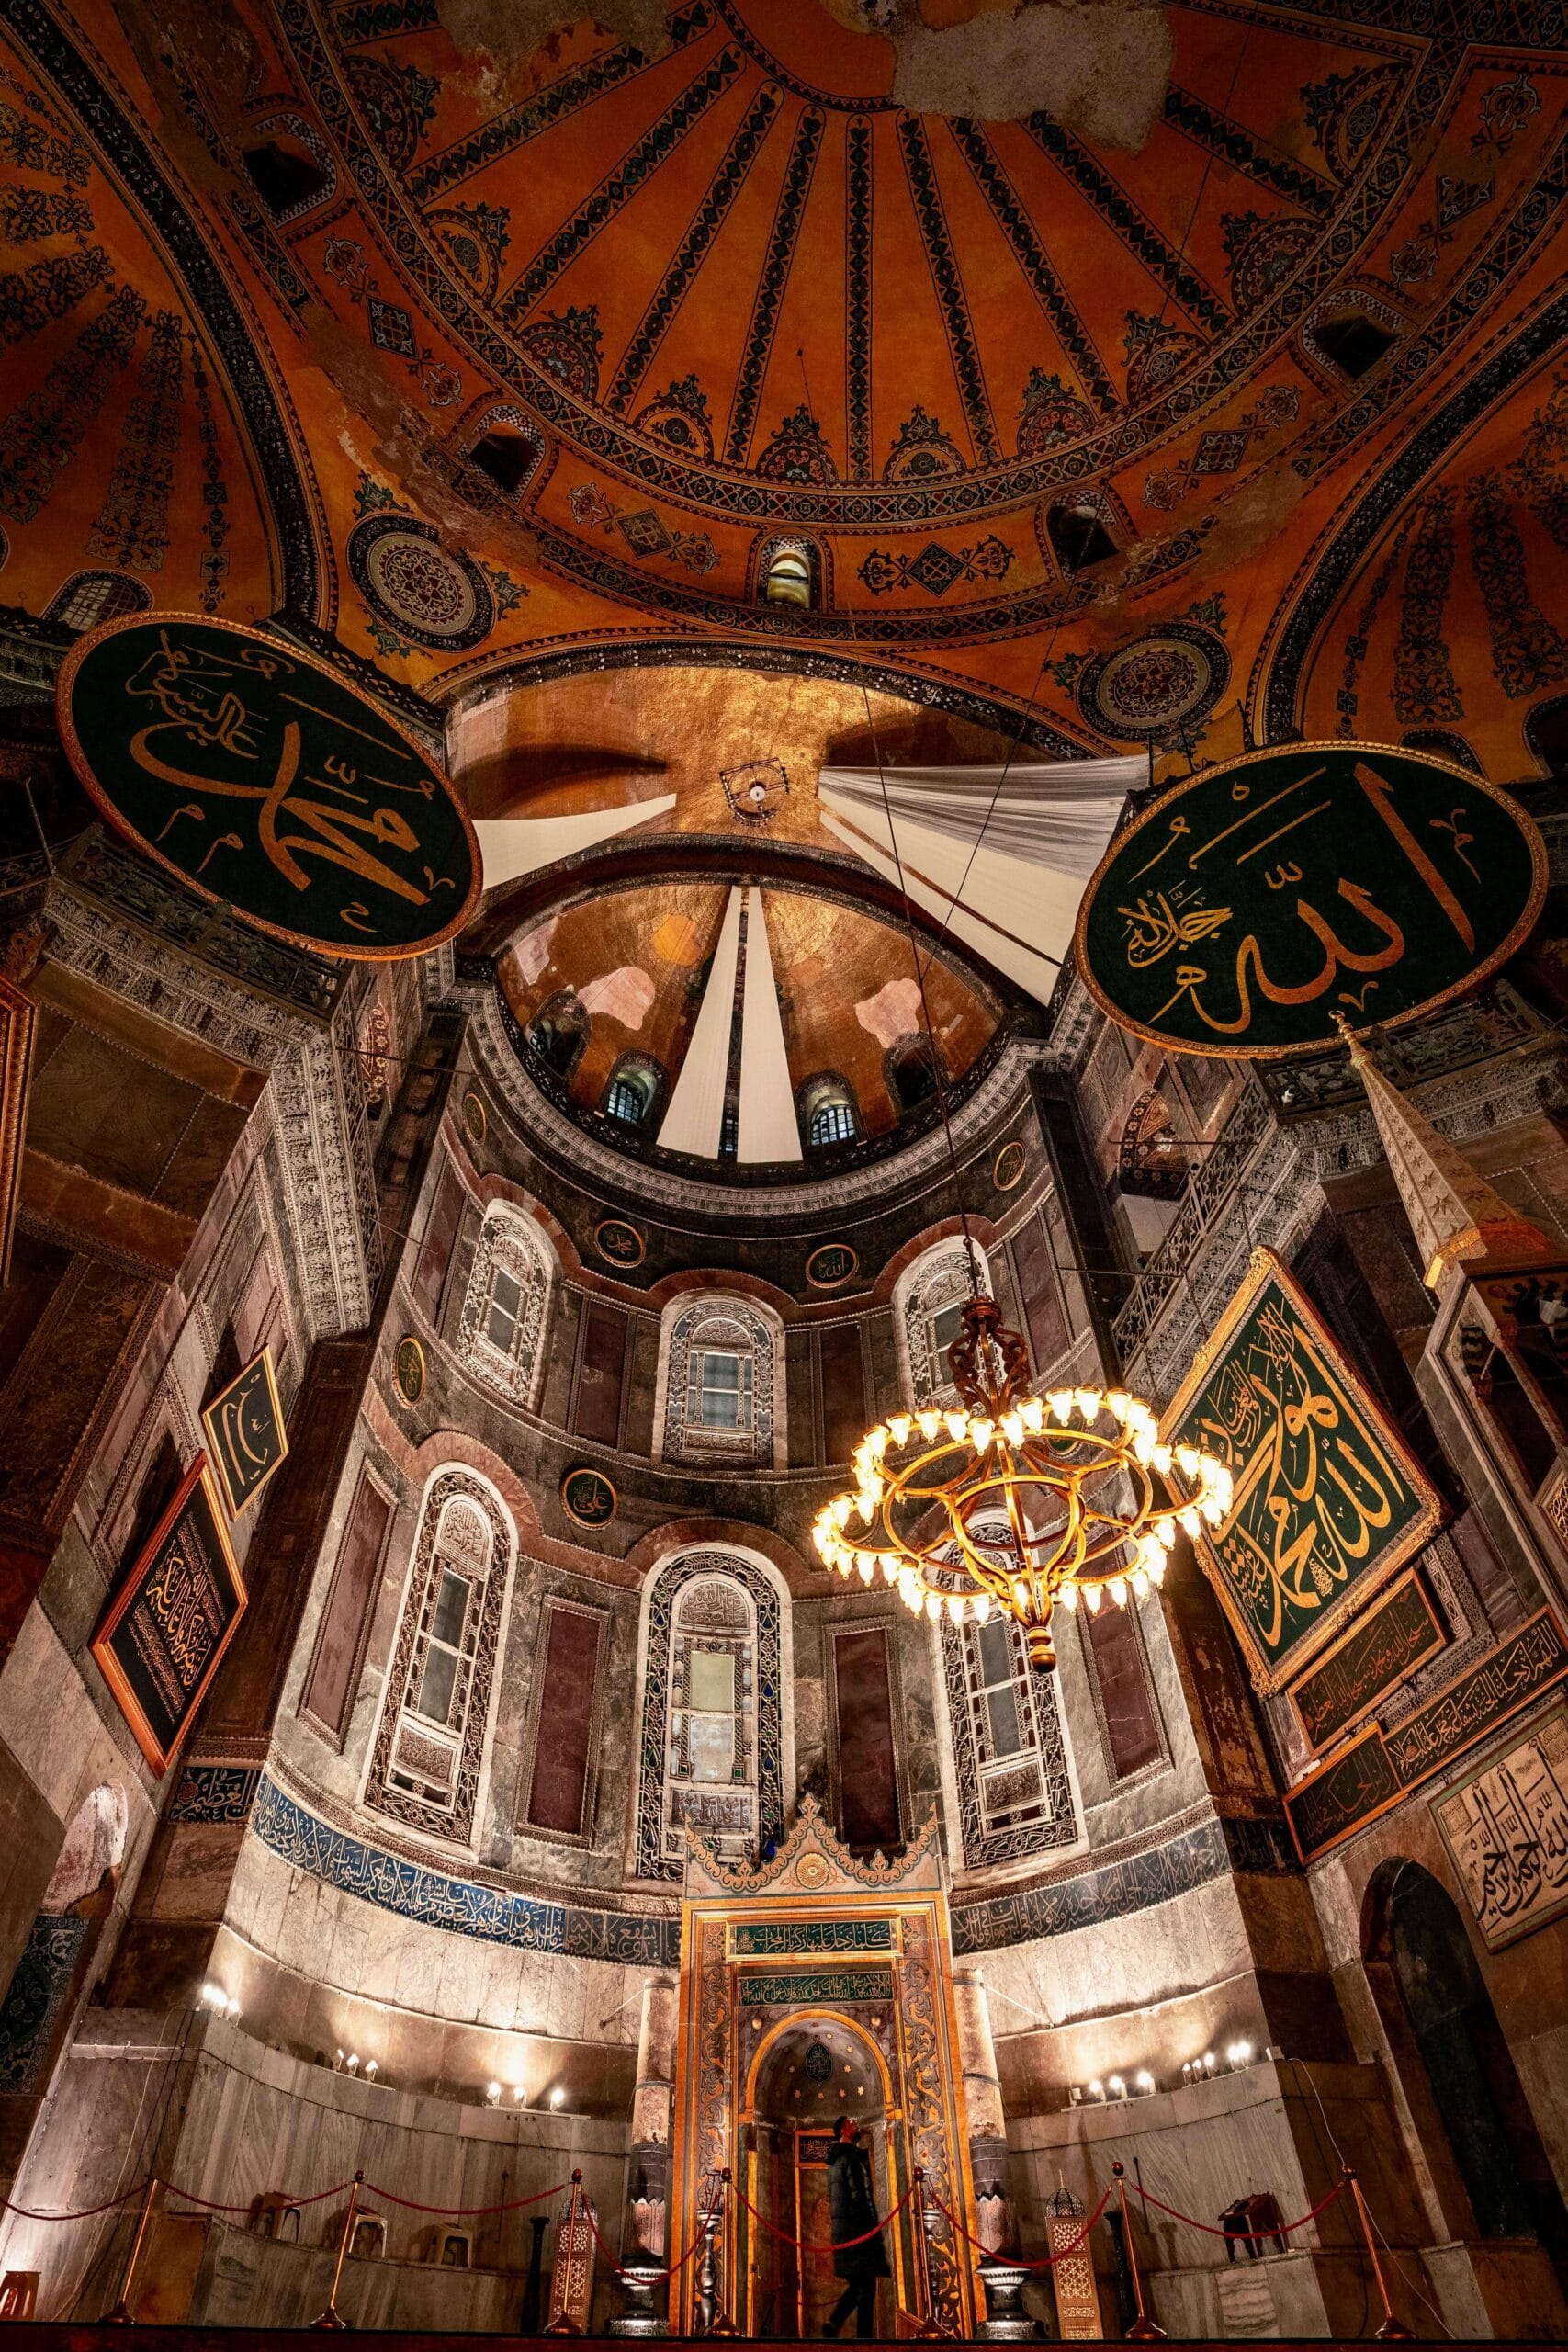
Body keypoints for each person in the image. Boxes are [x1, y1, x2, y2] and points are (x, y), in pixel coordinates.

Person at [823, 2115, 889, 2339]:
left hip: (845, 2235)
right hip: (860, 2235)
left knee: (860, 2285)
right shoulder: (851, 2158)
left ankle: (835, 2322)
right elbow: (861, 2199)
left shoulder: (836, 2161)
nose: (857, 2125)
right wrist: (872, 2232)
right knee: (867, 2290)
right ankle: (864, 2341)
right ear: (843, 2128)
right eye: (852, 2122)